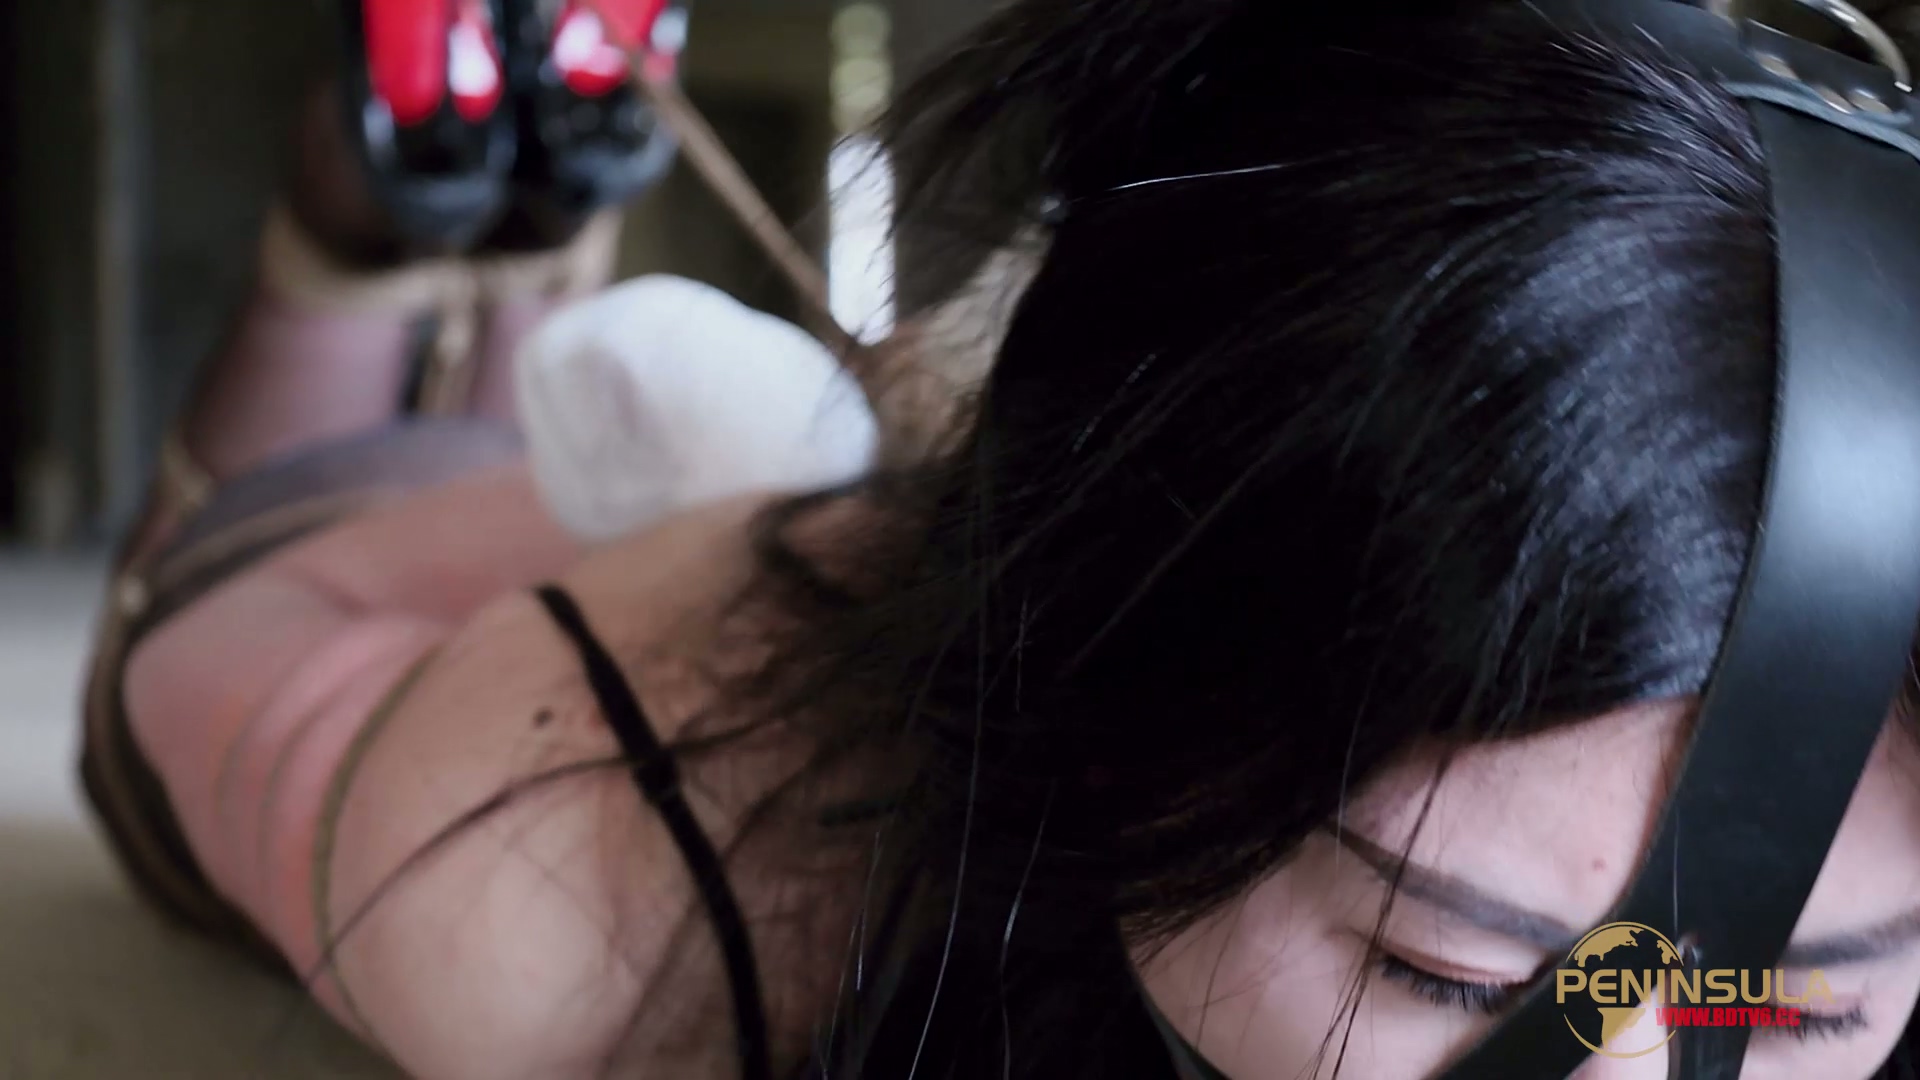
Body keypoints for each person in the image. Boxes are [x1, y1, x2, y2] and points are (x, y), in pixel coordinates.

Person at [79, 0, 1920, 1077]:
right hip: (326, 629)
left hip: (778, 543)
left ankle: (506, 216)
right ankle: (377, 232)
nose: (1654, 1044)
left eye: (1786, 1003)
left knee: (550, 384)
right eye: (1445, 970)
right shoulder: (561, 920)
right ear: (1103, 728)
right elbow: (217, 687)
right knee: (230, 550)